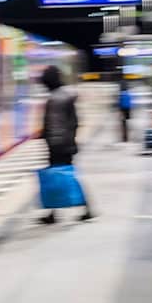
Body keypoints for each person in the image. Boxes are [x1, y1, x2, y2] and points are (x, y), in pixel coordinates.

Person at [39, 65, 93, 224]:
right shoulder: (66, 96)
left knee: (59, 177)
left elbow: (54, 125)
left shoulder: (55, 99)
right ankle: (56, 212)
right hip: (66, 143)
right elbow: (73, 122)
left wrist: (49, 140)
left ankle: (84, 209)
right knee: (63, 176)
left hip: (58, 144)